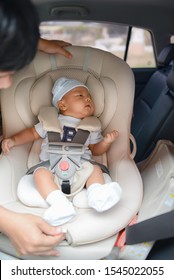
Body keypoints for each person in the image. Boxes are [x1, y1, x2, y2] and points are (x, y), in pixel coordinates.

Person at [0, 0, 73, 256]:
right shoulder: (49, 122)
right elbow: (32, 133)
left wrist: (35, 44)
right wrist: (7, 221)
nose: (7, 84)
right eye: (0, 73)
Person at [2, 77, 122, 226]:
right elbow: (31, 134)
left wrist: (106, 142)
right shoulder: (50, 122)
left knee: (95, 170)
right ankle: (59, 204)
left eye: (90, 98)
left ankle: (97, 195)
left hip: (81, 168)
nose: (88, 100)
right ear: (62, 104)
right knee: (39, 174)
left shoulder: (91, 126)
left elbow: (95, 150)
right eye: (80, 95)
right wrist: (13, 140)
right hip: (51, 168)